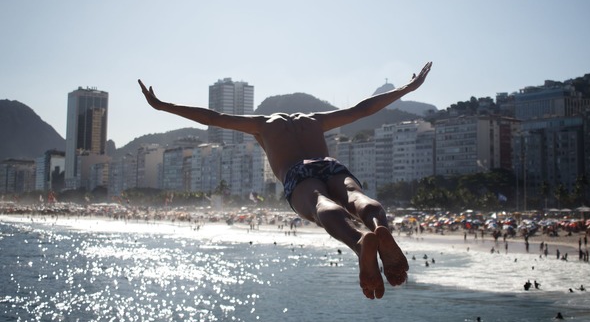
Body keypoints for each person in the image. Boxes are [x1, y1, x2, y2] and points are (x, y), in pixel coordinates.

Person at [138, 62, 433, 299]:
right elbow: (362, 109)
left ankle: (359, 242)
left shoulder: (261, 125)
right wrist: (407, 87)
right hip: (329, 165)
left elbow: (212, 117)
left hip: (297, 173)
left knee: (319, 204)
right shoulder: (314, 119)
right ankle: (378, 226)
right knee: (355, 197)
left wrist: (164, 106)